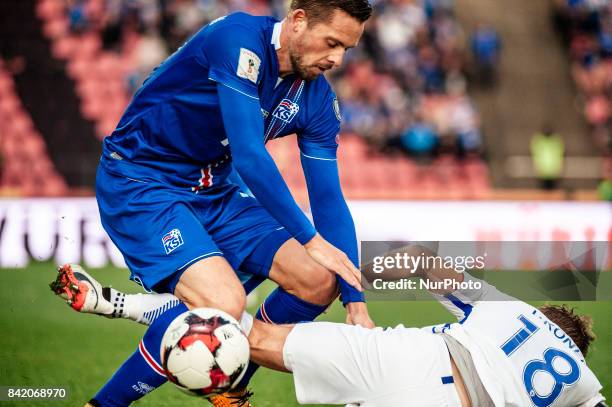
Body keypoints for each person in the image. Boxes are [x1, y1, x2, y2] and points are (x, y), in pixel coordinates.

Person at [50, 1, 375, 406]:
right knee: (224, 303)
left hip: (214, 188)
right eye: (332, 43)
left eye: (347, 48)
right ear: (298, 21)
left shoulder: (318, 101)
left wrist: (356, 300)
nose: (338, 59)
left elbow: (329, 200)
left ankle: (227, 389)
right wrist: (310, 239)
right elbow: (250, 156)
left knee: (317, 279)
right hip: (142, 180)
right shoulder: (237, 40)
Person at [245, 254, 607, 407]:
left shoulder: (514, 308)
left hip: (412, 355)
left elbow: (419, 257)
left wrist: (352, 284)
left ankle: (195, 309)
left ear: (543, 313)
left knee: (255, 339)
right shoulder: (583, 382)